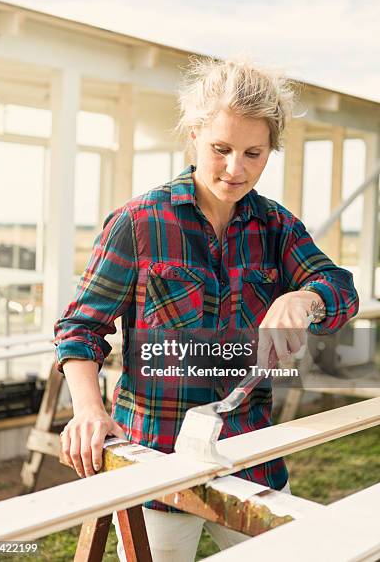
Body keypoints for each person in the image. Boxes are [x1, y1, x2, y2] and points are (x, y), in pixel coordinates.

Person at [55, 55, 359, 561]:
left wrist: (304, 297)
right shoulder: (138, 222)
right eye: (221, 149)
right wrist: (88, 409)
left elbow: (340, 288)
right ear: (193, 134)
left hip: (252, 456)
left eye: (253, 154)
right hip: (157, 457)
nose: (235, 169)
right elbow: (81, 328)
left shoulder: (276, 226)